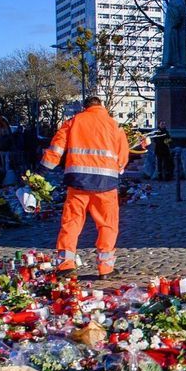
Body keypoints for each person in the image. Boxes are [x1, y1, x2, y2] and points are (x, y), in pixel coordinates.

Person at [39, 97, 129, 278]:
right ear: (101, 107)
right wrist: (117, 168)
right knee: (107, 225)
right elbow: (123, 155)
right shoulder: (113, 125)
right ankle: (106, 268)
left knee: (71, 222)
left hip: (78, 182)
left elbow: (57, 147)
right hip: (106, 184)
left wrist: (43, 171)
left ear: (85, 107)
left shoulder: (73, 122)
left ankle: (66, 264)